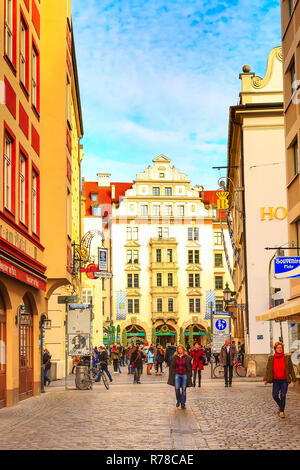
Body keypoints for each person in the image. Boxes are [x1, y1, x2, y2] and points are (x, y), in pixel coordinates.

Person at [264, 341, 297, 418]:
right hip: (276, 380)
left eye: (281, 348)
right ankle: (281, 405)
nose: (279, 349)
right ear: (275, 349)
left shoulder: (287, 358)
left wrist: (294, 379)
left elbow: (291, 369)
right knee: (275, 395)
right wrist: (265, 379)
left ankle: (282, 411)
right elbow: (268, 369)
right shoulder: (271, 358)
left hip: (284, 380)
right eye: (278, 348)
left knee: (283, 395)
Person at [167, 344, 192, 410]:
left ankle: (183, 404)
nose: (180, 350)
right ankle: (178, 400)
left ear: (183, 350)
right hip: (177, 374)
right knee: (177, 388)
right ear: (177, 350)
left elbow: (189, 367)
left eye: (181, 349)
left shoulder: (187, 357)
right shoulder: (174, 357)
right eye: (178, 349)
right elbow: (171, 366)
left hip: (184, 374)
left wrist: (189, 374)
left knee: (184, 389)